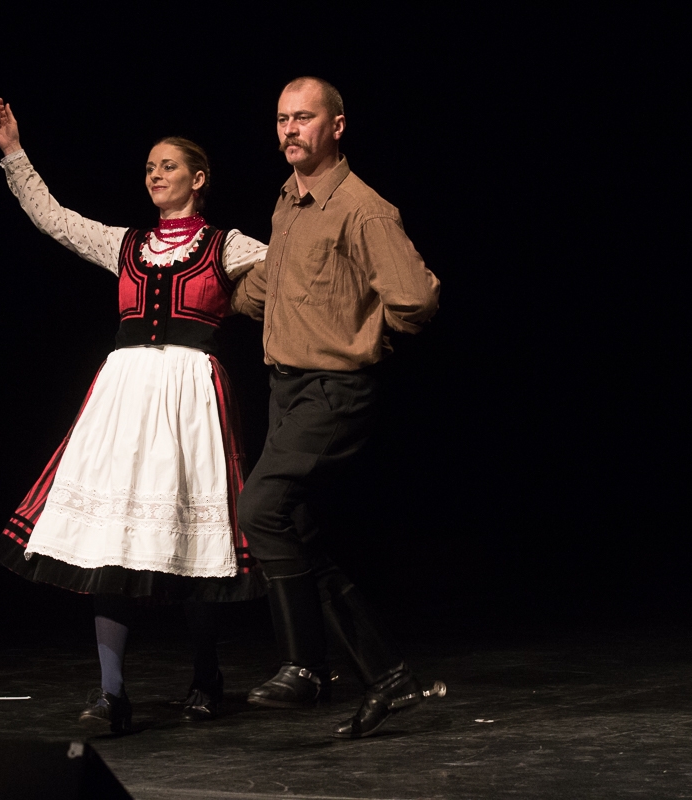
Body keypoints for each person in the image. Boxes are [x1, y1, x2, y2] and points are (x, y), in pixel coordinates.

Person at [0, 97, 267, 734]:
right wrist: (13, 152)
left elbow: (294, 266)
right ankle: (112, 693)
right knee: (110, 535)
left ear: (198, 178)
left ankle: (206, 676)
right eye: (149, 167)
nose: (155, 174)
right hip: (124, 393)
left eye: (168, 166)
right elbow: (55, 220)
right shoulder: (126, 243)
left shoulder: (227, 245)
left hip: (189, 391)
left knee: (189, 534)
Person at [230, 77, 445, 739]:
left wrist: (366, 332)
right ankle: (388, 675)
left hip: (334, 390)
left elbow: (416, 299)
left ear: (337, 126)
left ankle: (306, 667)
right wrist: (207, 293)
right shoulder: (289, 203)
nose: (290, 130)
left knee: (260, 509)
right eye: (282, 119)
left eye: (304, 118)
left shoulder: (362, 208)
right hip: (287, 391)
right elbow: (268, 285)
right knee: (295, 532)